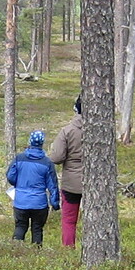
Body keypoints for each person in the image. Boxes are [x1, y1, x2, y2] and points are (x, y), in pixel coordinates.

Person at [6, 129, 60, 245]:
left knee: (20, 227)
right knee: (37, 230)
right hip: (39, 204)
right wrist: (55, 204)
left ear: (30, 141)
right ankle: (36, 254)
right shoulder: (47, 163)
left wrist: (19, 184)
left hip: (21, 202)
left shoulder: (19, 158)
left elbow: (10, 177)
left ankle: (16, 252)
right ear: (42, 143)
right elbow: (53, 186)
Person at [48, 96, 84, 247]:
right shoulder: (102, 130)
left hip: (71, 184)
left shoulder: (67, 131)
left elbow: (56, 157)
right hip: (97, 183)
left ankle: (68, 249)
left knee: (69, 220)